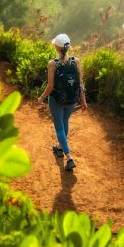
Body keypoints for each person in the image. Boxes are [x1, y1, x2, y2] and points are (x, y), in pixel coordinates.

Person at [37, 32, 87, 172]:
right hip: (72, 100)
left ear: (56, 48)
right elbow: (80, 84)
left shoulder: (53, 64)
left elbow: (50, 86)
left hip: (56, 100)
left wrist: (41, 98)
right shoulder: (76, 61)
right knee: (65, 121)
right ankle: (59, 147)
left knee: (59, 127)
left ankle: (69, 157)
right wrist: (83, 100)